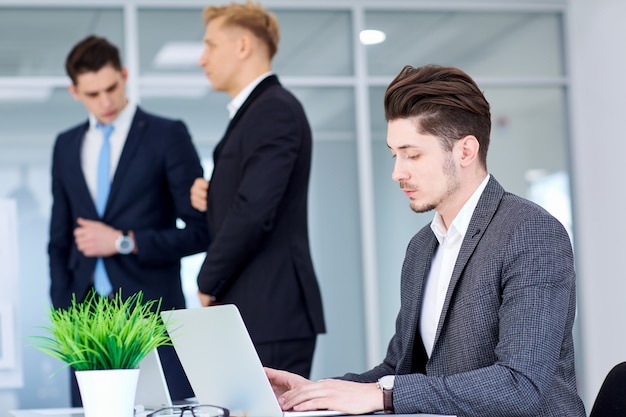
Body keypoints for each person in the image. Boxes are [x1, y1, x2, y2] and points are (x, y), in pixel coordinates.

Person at [265, 64, 587, 417]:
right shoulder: (422, 247)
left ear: (465, 151)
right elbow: (398, 371)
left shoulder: (530, 232)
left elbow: (518, 385)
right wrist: (315, 393)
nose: (397, 172)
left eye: (413, 155)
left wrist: (383, 396)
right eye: (394, 154)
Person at [48, 35, 210, 406]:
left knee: (166, 411)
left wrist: (125, 240)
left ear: (124, 75)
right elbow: (58, 239)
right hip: (86, 323)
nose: (105, 102)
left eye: (111, 87)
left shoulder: (167, 135)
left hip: (152, 316)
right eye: (92, 94)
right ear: (75, 92)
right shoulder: (66, 145)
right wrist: (64, 311)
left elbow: (201, 232)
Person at [189, 1, 325, 378]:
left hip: (271, 312)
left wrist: (206, 281)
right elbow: (252, 195)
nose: (203, 59)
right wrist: (212, 193)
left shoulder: (273, 109)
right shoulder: (258, 111)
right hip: (259, 309)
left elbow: (254, 210)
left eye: (211, 45)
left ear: (243, 46)